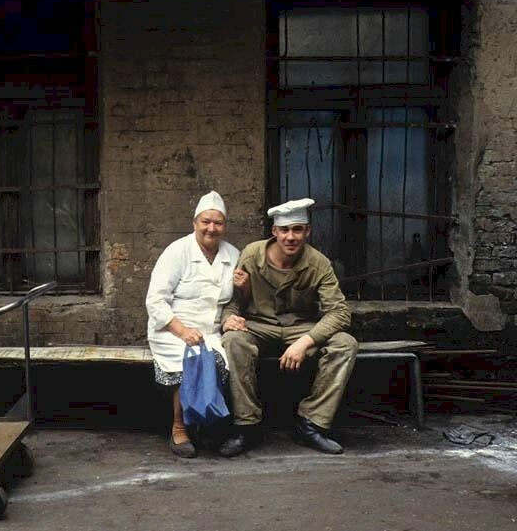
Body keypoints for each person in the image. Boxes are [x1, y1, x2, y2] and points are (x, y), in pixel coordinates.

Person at [219, 198, 358, 456]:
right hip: (259, 325)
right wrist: (228, 320)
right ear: (274, 232)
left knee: (345, 344)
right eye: (284, 230)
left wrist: (305, 341)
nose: (290, 237)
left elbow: (339, 312)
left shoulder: (318, 263)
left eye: (297, 229)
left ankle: (311, 424)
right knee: (234, 340)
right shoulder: (252, 254)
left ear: (307, 231)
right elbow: (232, 304)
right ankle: (247, 426)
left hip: (300, 327)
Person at [145, 191, 241, 458]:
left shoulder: (233, 255)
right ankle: (179, 428)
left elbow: (232, 302)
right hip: (172, 330)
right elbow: (155, 301)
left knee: (221, 360)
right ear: (194, 223)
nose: (212, 228)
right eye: (206, 221)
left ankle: (205, 424)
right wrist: (182, 331)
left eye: (218, 223)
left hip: (210, 330)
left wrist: (231, 316)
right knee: (193, 362)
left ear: (225, 226)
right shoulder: (176, 252)